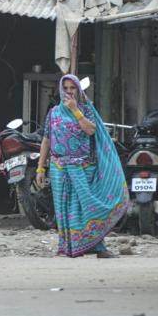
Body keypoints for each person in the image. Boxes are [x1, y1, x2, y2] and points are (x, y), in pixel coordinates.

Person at [35, 74, 129, 258]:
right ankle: (67, 247)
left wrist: (75, 111)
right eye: (66, 88)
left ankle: (99, 246)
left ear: (78, 90)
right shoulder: (53, 113)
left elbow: (91, 130)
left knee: (87, 206)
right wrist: (40, 167)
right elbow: (47, 139)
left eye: (73, 88)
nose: (69, 91)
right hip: (59, 167)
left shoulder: (86, 109)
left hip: (83, 166)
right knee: (64, 209)